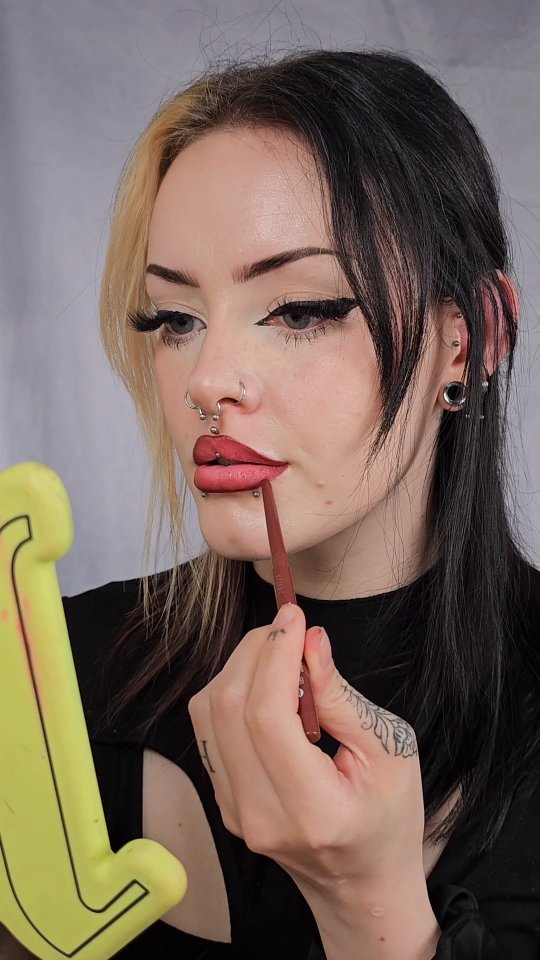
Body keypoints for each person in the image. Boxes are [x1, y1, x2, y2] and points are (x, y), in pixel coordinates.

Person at [2, 47, 539, 960]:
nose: (207, 380)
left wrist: (369, 909)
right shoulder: (36, 687)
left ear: (469, 340)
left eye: (298, 310)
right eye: (176, 319)